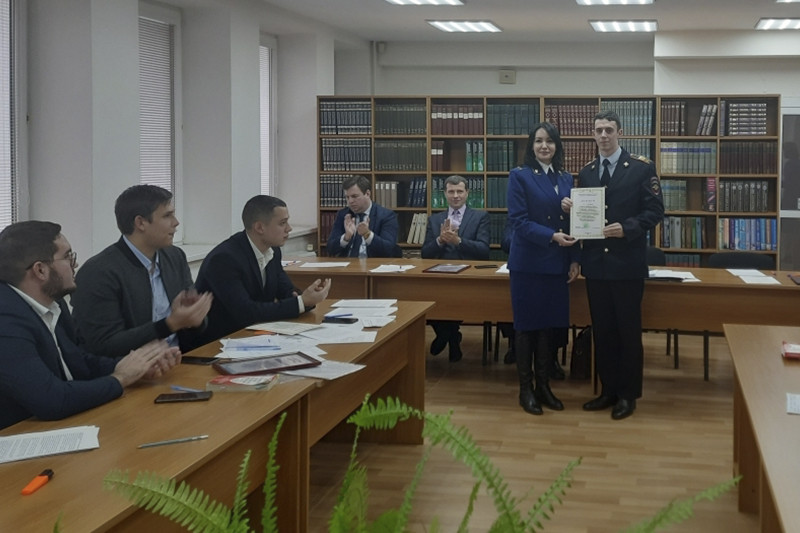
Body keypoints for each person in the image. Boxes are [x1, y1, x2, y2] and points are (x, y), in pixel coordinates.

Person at [0, 221, 181, 430]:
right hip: (20, 435)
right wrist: (120, 378)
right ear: (40, 270)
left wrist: (135, 366)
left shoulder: (53, 301)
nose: (75, 264)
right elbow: (51, 400)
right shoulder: (6, 322)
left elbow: (78, 361)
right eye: (68, 257)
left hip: (61, 423)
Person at [563, 110, 664, 420]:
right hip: (596, 266)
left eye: (609, 129)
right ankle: (607, 390)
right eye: (599, 130)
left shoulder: (640, 168)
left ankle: (628, 395)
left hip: (626, 265)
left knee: (627, 332)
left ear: (620, 132)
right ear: (593, 135)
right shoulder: (588, 172)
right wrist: (571, 209)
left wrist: (627, 228)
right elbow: (586, 218)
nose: (604, 135)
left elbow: (655, 211)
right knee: (603, 331)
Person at [71, 185, 212, 358]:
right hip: (131, 370)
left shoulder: (174, 257)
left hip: (181, 361)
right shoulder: (98, 273)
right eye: (167, 215)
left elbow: (196, 331)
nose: (176, 222)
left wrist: (194, 316)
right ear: (140, 223)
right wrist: (170, 324)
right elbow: (104, 345)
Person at [190, 195, 332, 347]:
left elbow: (285, 290)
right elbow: (246, 312)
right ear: (259, 227)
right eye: (282, 223)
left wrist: (306, 297)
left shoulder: (273, 250)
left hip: (253, 336)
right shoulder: (224, 259)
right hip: (217, 344)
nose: (289, 228)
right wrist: (301, 302)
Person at [507, 123, 580, 415]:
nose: (544, 146)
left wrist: (574, 258)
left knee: (549, 328)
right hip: (529, 264)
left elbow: (573, 223)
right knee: (527, 327)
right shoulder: (520, 175)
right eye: (538, 141)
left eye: (549, 141)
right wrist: (551, 236)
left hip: (557, 263)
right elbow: (518, 221)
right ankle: (525, 390)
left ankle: (544, 387)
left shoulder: (566, 178)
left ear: (557, 145)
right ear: (531, 146)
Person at [421, 175, 490, 362]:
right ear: (444, 194)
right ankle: (450, 337)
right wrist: (440, 240)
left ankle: (448, 337)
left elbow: (484, 250)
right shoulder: (435, 220)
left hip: (469, 276)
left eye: (460, 191)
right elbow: (425, 253)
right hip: (440, 276)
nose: (455, 196)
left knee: (454, 297)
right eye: (451, 192)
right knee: (426, 297)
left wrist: (458, 241)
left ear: (467, 193)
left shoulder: (480, 217)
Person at [326, 175, 402, 258]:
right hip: (348, 263)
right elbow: (330, 248)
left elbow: (389, 249)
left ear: (367, 194)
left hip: (372, 264)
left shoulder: (386, 216)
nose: (350, 201)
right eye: (347, 197)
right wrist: (346, 237)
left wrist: (367, 235)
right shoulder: (343, 214)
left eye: (354, 196)